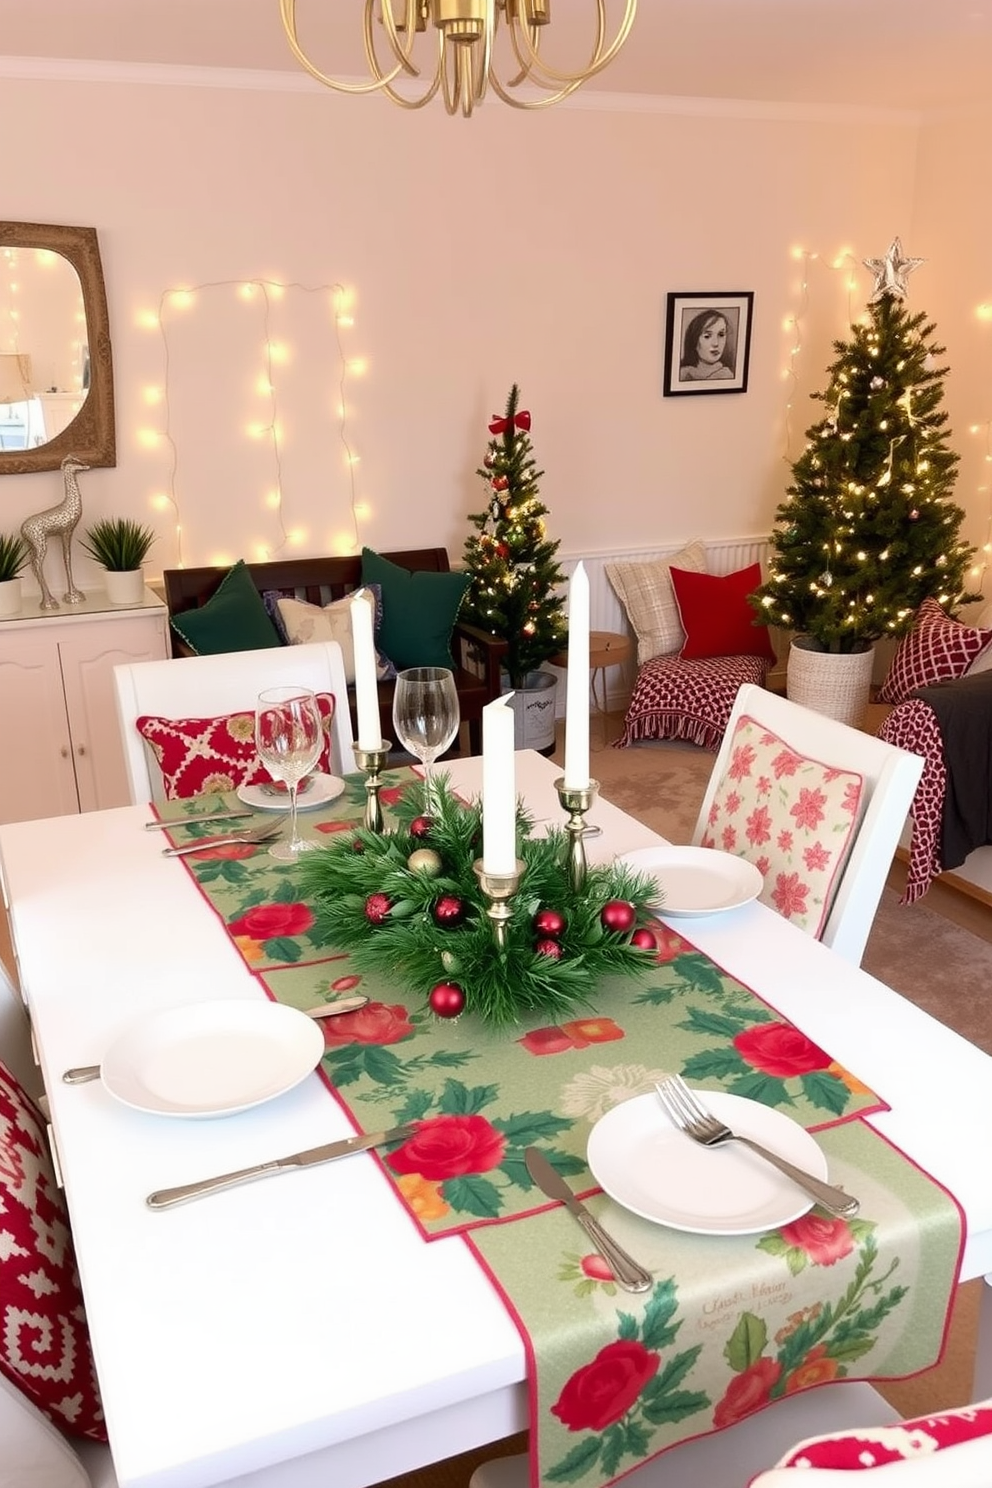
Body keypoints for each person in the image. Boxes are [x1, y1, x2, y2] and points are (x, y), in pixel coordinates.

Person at [679, 309, 735, 381]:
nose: (716, 343)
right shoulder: (683, 373)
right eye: (707, 336)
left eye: (721, 335)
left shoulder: (727, 375)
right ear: (694, 340)